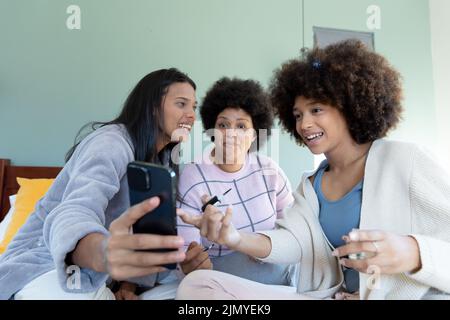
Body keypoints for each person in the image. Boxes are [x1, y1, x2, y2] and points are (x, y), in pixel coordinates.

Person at [176, 40, 450, 300]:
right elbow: (292, 242)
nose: (305, 124)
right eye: (297, 115)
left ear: (349, 106)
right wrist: (235, 238)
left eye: (316, 110)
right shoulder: (311, 185)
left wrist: (413, 251)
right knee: (197, 287)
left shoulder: (405, 159)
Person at [0, 68, 206, 300]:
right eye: (181, 104)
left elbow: (144, 239)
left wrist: (129, 286)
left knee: (196, 290)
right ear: (152, 107)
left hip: (106, 277)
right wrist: (103, 253)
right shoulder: (110, 143)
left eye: (194, 107)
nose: (191, 115)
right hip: (44, 265)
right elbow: (75, 210)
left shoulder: (163, 164)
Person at [176, 77, 296, 285]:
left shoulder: (269, 170)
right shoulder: (193, 176)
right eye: (223, 125)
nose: (230, 134)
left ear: (254, 134)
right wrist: (193, 260)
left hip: (273, 269)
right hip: (222, 276)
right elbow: (187, 249)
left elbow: (294, 232)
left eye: (241, 126)